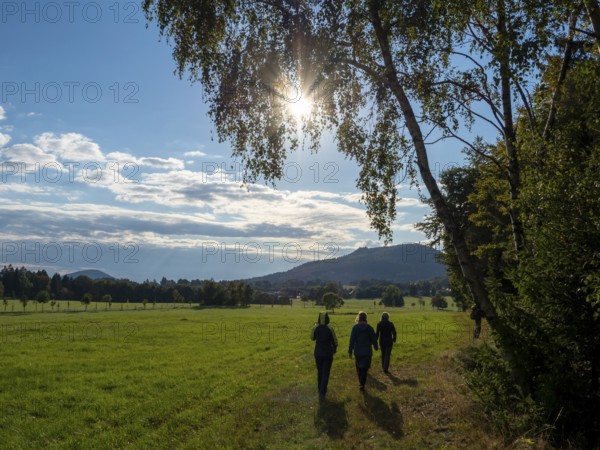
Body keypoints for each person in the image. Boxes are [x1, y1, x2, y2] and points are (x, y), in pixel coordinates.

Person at [348, 311, 378, 390]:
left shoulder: (355, 328)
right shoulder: (369, 328)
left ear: (359, 318)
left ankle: (361, 383)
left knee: (359, 368)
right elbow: (374, 339)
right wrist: (376, 346)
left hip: (358, 351)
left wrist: (350, 351)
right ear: (366, 318)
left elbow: (351, 340)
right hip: (367, 351)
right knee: (365, 368)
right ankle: (362, 384)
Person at [311, 312, 338, 401]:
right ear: (327, 318)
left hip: (318, 353)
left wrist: (315, 326)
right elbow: (335, 341)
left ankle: (320, 390)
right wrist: (334, 349)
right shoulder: (330, 328)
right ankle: (322, 392)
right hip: (328, 353)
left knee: (320, 372)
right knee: (326, 373)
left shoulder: (315, 327)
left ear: (319, 318)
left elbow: (312, 338)